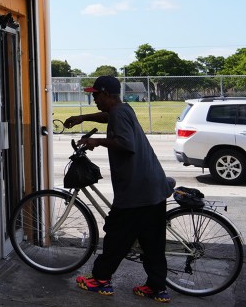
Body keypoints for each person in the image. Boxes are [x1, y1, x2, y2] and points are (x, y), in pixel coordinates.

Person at [63, 75, 172, 303]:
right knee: (152, 241)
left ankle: (100, 280)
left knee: (116, 235)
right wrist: (82, 117)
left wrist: (96, 142)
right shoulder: (123, 109)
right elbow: (108, 116)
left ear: (106, 94)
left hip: (136, 189)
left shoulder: (120, 113)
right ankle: (156, 287)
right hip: (152, 184)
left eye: (95, 95)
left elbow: (126, 143)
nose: (93, 98)